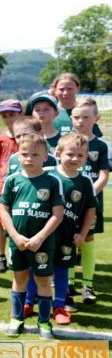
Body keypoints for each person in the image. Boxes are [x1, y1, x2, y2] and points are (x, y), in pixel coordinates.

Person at [24, 133, 97, 325]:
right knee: (35, 269)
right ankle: (29, 302)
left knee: (62, 270)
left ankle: (59, 306)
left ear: (86, 157)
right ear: (58, 153)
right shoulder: (46, 173)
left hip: (67, 236)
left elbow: (90, 210)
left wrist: (82, 234)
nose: (75, 159)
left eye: (80, 156)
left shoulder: (85, 181)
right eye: (70, 154)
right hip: (42, 235)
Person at [0, 133, 64, 340]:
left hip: (42, 244)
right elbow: (3, 210)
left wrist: (39, 237)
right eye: (24, 153)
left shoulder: (52, 181)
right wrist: (14, 235)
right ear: (18, 155)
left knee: (43, 281)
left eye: (35, 154)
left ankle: (44, 322)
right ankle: (17, 318)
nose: (29, 158)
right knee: (19, 278)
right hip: (16, 241)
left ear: (46, 156)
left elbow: (58, 214)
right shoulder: (12, 180)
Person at [70, 97, 110, 305]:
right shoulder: (66, 142)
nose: (80, 121)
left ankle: (87, 285)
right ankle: (68, 284)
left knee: (87, 239)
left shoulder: (101, 145)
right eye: (76, 117)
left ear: (96, 118)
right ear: (71, 118)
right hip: (67, 204)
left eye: (86, 117)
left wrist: (88, 194)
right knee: (67, 239)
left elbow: (103, 175)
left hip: (90, 204)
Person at [0, 99, 23, 273]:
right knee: (2, 223)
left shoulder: (28, 138)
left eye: (12, 115)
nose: (9, 119)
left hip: (23, 188)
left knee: (21, 222)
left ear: (21, 114)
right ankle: (1, 257)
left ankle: (19, 255)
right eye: (5, 116)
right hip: (2, 188)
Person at [48, 73, 103, 137]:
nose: (65, 93)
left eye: (70, 89)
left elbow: (95, 141)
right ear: (55, 90)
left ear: (78, 89)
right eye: (61, 89)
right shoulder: (48, 112)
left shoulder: (85, 112)